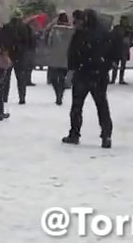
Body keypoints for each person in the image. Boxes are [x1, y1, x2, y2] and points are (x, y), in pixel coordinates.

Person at [63, 9, 114, 148]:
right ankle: (106, 134)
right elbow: (113, 52)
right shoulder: (105, 33)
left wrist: (72, 70)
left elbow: (73, 53)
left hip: (83, 74)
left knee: (77, 106)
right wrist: (106, 66)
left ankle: (74, 133)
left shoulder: (81, 33)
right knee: (102, 105)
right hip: (99, 74)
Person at [3, 10, 37, 105]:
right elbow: (32, 41)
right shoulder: (26, 27)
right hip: (21, 55)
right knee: (21, 78)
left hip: (9, 54)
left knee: (6, 78)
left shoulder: (6, 27)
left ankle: (4, 97)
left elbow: (2, 40)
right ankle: (22, 97)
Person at [42, 12, 75, 105]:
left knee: (54, 78)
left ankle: (58, 93)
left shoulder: (54, 30)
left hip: (54, 58)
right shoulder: (72, 30)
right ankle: (61, 92)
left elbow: (49, 42)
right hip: (66, 58)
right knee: (62, 77)